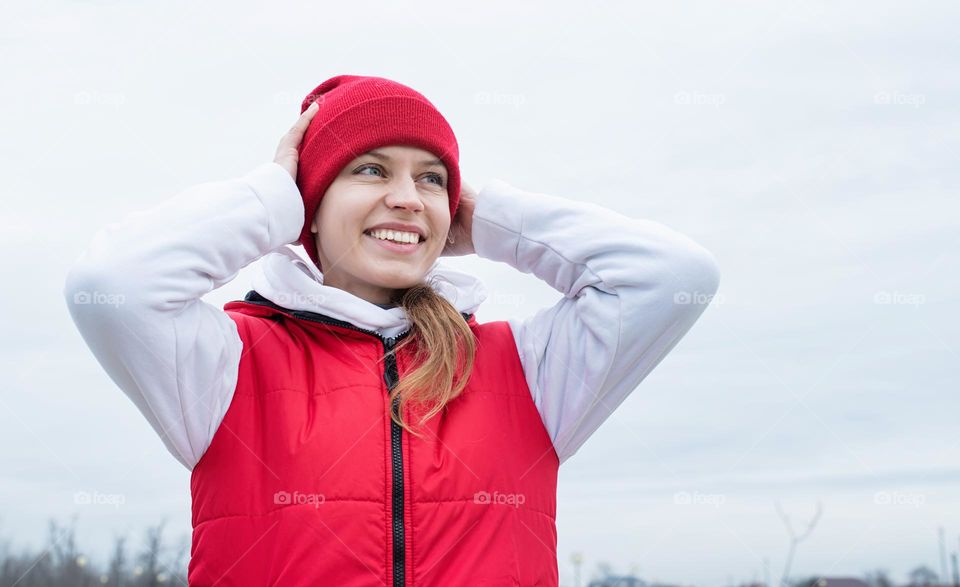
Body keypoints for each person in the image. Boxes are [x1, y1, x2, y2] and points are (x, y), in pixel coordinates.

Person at [63, 74, 721, 586]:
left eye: (431, 179)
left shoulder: (528, 368)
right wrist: (270, 201)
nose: (408, 196)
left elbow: (670, 274)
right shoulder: (226, 363)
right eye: (371, 168)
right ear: (308, 206)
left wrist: (493, 218)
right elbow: (116, 283)